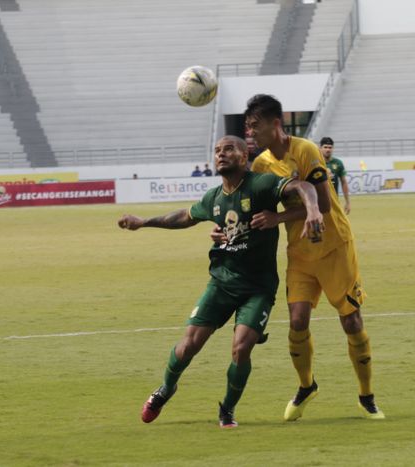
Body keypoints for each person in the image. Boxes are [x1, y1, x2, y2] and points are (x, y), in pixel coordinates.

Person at [118, 135, 323, 428]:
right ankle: (166, 388)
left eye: (229, 149)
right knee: (188, 346)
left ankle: (227, 408)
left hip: (258, 288)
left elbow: (304, 187)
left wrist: (308, 212)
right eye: (217, 151)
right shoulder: (214, 198)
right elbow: (185, 216)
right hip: (222, 282)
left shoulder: (262, 184)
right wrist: (144, 222)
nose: (221, 154)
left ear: (244, 156)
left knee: (241, 348)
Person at [241, 94, 384, 421]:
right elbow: (252, 206)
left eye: (255, 125)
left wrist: (280, 218)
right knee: (297, 321)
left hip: (334, 246)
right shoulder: (261, 164)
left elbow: (319, 201)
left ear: (275, 124)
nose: (251, 132)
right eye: (247, 126)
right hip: (301, 253)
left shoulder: (305, 150)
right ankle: (307, 386)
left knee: (351, 320)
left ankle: (366, 395)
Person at [319, 136, 351, 215]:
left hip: (334, 202)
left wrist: (347, 202)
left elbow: (343, 182)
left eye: (330, 147)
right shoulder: (316, 163)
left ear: (333, 149)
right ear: (320, 148)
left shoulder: (338, 163)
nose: (328, 150)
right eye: (325, 147)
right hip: (318, 202)